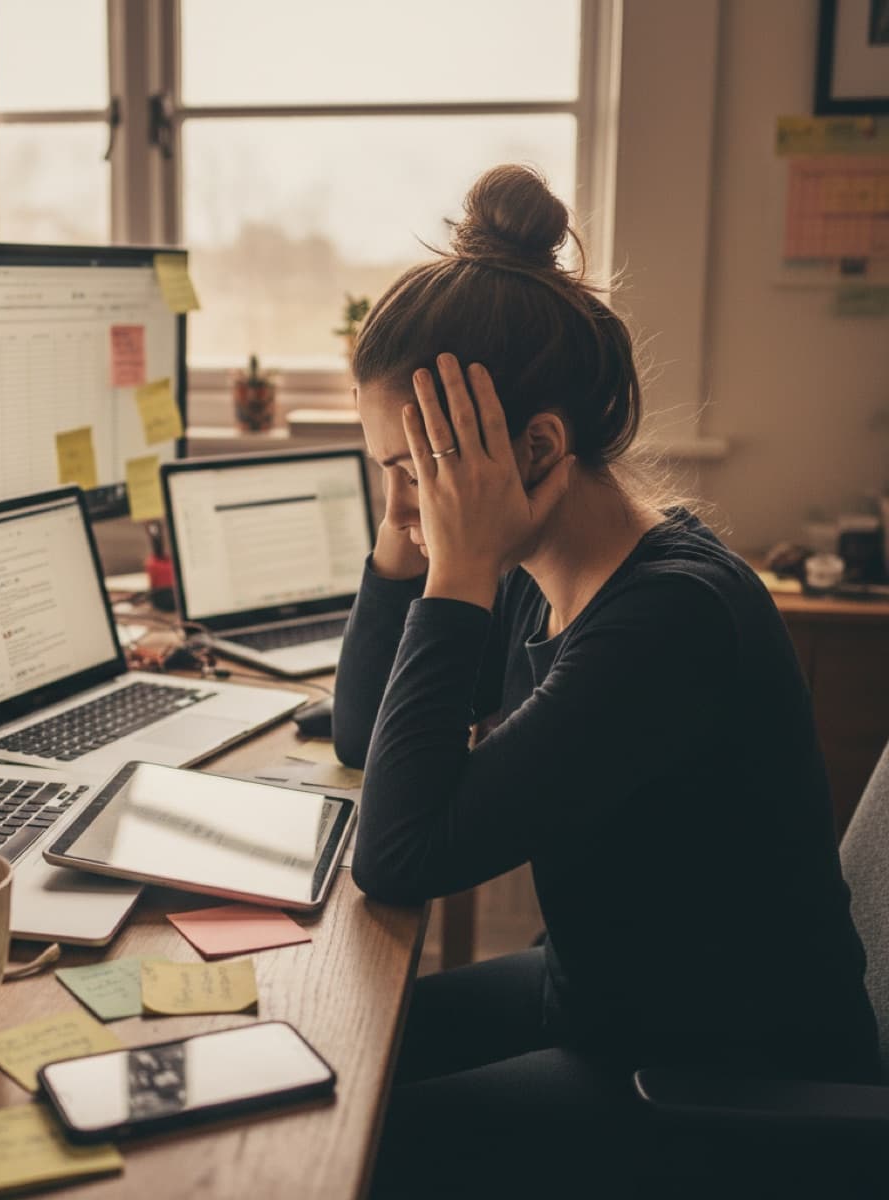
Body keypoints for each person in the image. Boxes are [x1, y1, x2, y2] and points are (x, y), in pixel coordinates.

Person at [333, 165, 879, 1196]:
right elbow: (368, 735)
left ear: (537, 448)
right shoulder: (551, 572)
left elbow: (399, 853)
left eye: (417, 474)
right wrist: (404, 540)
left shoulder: (671, 620)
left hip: (718, 1082)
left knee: (353, 1150)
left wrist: (453, 566)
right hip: (605, 997)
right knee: (323, 1056)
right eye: (389, 474)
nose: (407, 505)